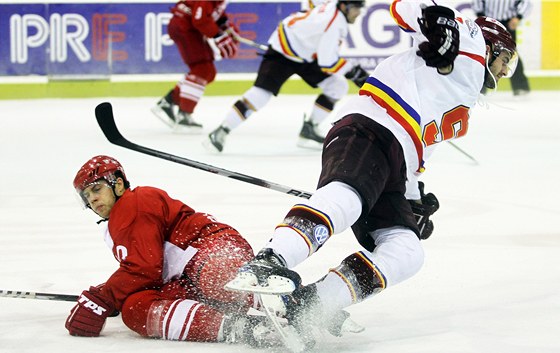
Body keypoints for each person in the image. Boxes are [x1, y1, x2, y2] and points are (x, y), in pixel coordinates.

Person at [225, 0, 518, 345]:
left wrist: (413, 200)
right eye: (505, 61)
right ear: (492, 47)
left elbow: (416, 155)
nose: (503, 71)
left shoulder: (463, 98)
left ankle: (314, 303)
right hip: (371, 127)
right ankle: (271, 259)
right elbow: (406, 7)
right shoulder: (469, 41)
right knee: (347, 199)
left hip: (398, 159)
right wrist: (435, 19)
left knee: (407, 250)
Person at [65, 155, 275, 346]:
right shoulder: (115, 227)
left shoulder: (134, 202)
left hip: (210, 249)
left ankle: (288, 300)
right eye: (86, 195)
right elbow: (148, 272)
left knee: (213, 274)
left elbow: (144, 268)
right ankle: (239, 328)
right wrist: (116, 296)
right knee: (134, 308)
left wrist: (104, 296)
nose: (92, 199)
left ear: (118, 185)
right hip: (185, 279)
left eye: (96, 189)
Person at [203, 0, 370, 152]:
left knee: (337, 86)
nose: (358, 13)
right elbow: (327, 62)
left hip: (306, 53)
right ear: (343, 7)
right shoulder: (335, 23)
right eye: (356, 8)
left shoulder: (332, 8)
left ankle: (309, 129)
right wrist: (354, 71)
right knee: (260, 94)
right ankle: (222, 130)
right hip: (283, 51)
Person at [151, 1, 239, 131]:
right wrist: (218, 35)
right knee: (203, 70)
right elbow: (200, 19)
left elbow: (212, 10)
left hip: (189, 27)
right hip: (184, 27)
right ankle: (183, 115)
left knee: (208, 72)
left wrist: (224, 24)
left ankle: (168, 102)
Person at [472, 0, 531, 95]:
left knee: (508, 56)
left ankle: (520, 86)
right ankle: (480, 86)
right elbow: (478, 2)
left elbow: (525, 3)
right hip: (489, 25)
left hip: (508, 24)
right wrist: (481, 15)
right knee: (485, 54)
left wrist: (518, 17)